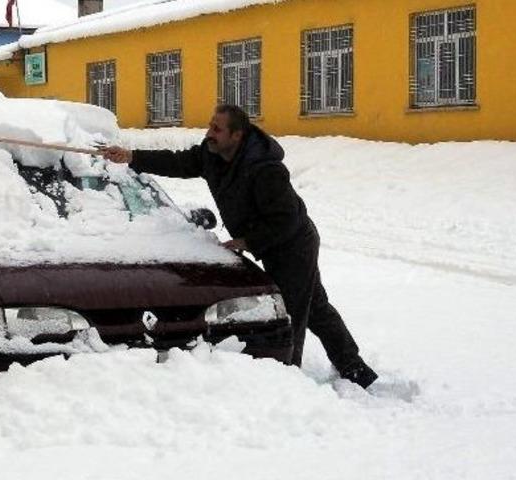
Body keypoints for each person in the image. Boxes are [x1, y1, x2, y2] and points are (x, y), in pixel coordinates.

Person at [100, 105, 378, 388]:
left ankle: (289, 381)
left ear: (237, 135)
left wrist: (247, 241)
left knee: (291, 312)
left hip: (293, 244)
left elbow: (286, 219)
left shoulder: (265, 169)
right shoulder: (212, 154)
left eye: (217, 129)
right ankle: (355, 369)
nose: (209, 134)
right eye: (210, 126)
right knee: (316, 307)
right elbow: (179, 162)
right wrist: (132, 157)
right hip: (271, 240)